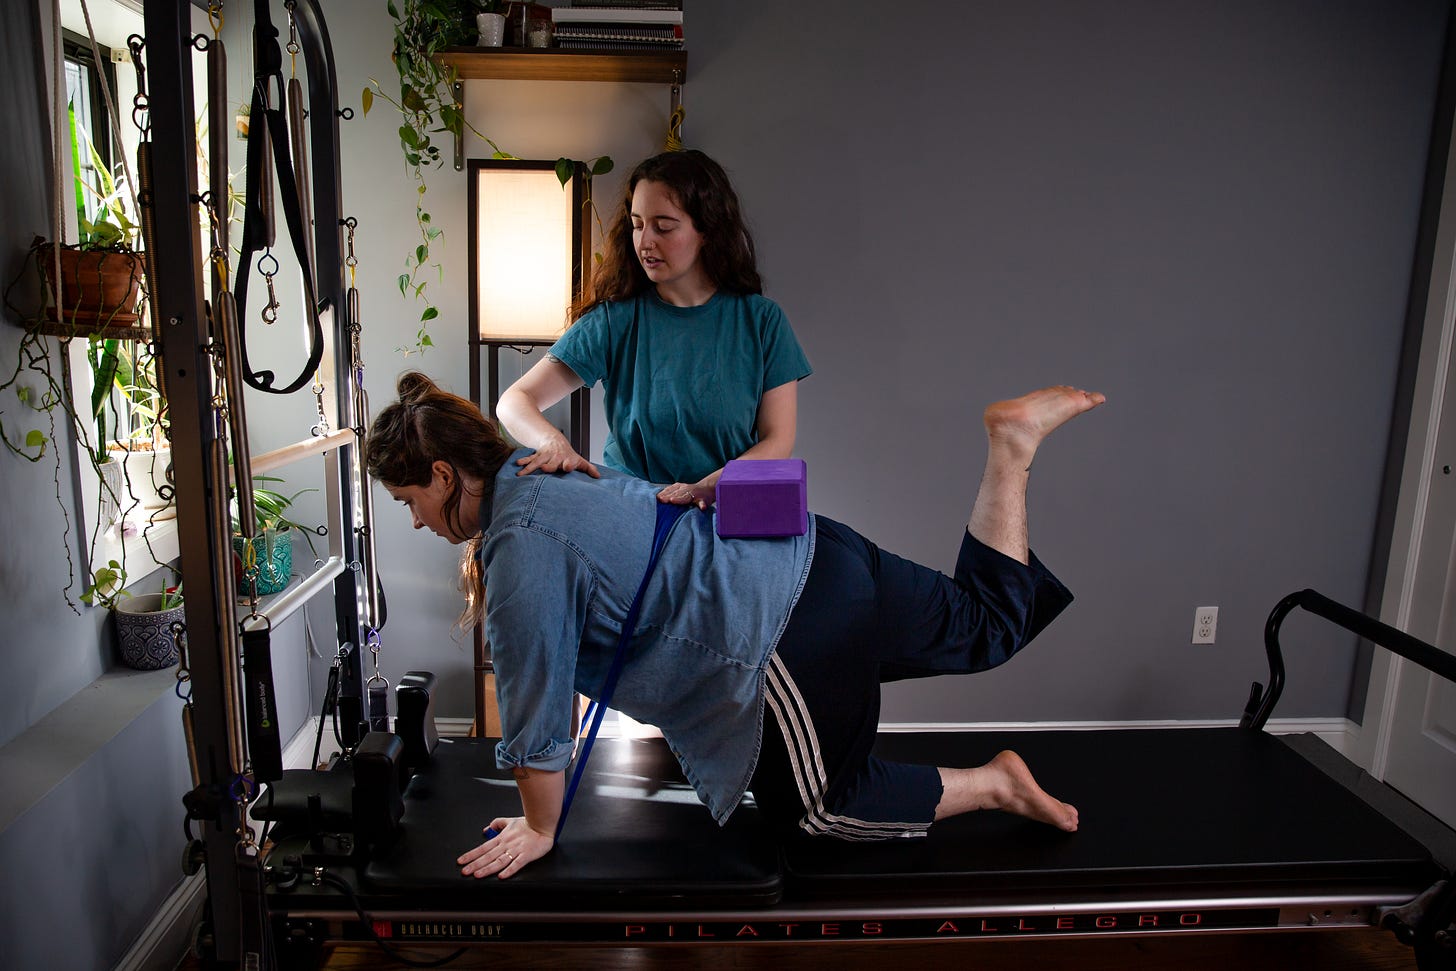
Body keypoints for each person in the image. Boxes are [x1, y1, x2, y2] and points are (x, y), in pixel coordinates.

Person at [366, 372, 1105, 880]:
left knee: (822, 809)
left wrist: (539, 825)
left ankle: (996, 785)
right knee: (984, 626)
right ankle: (1012, 445)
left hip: (782, 627)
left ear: (441, 473)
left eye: (408, 499)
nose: (416, 518)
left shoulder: (518, 546)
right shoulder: (542, 464)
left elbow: (534, 712)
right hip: (814, 548)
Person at [495, 149, 811, 509]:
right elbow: (513, 403)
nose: (645, 242)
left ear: (706, 230)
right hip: (631, 514)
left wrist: (708, 486)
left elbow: (778, 441)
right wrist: (551, 442)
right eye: (638, 224)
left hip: (724, 512)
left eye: (663, 227)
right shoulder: (615, 321)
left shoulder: (762, 322)